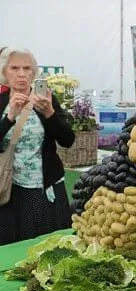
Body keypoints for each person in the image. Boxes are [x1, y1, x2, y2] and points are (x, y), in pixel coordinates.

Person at [0, 48, 74, 245]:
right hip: (10, 190)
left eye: (27, 68)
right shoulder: (1, 103)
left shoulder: (46, 100)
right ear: (4, 72)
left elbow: (68, 140)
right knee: (13, 249)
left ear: (34, 73)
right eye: (14, 68)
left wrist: (50, 113)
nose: (21, 74)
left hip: (46, 189)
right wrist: (9, 118)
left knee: (50, 248)